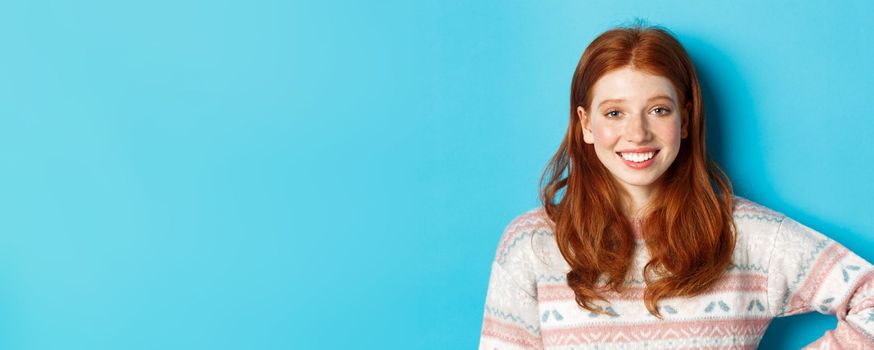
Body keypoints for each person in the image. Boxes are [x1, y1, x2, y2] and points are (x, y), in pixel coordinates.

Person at [478, 24, 874, 349]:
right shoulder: (530, 245)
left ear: (685, 120)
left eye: (658, 110)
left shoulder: (747, 235)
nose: (637, 133)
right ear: (585, 124)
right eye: (614, 112)